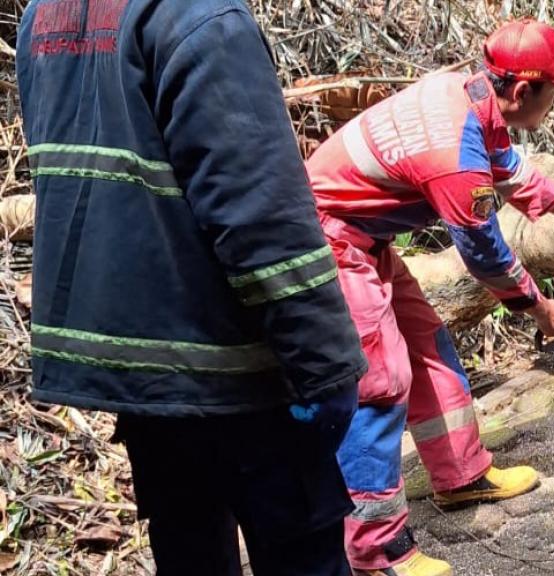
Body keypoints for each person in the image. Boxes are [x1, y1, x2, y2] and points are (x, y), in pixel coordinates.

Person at [16, 1, 367, 574]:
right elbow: (259, 213)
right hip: (234, 366)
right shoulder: (198, 14)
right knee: (304, 552)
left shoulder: (43, 16)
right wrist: (326, 366)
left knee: (190, 549)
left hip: (134, 368)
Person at [306, 18, 554, 576]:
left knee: (429, 343)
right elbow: (486, 255)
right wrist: (539, 307)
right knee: (380, 382)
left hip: (363, 237)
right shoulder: (454, 153)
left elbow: (514, 173)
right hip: (329, 240)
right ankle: (377, 552)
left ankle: (461, 476)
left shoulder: (473, 97)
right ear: (523, 90)